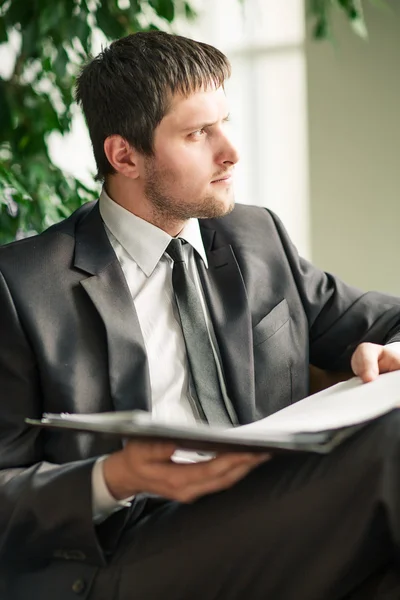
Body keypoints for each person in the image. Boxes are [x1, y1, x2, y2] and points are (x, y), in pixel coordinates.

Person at [1, 31, 400, 600]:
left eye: (226, 122)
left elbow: (383, 319)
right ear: (124, 156)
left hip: (272, 512)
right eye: (197, 133)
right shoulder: (22, 285)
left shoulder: (255, 236)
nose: (231, 151)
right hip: (123, 552)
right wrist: (114, 477)